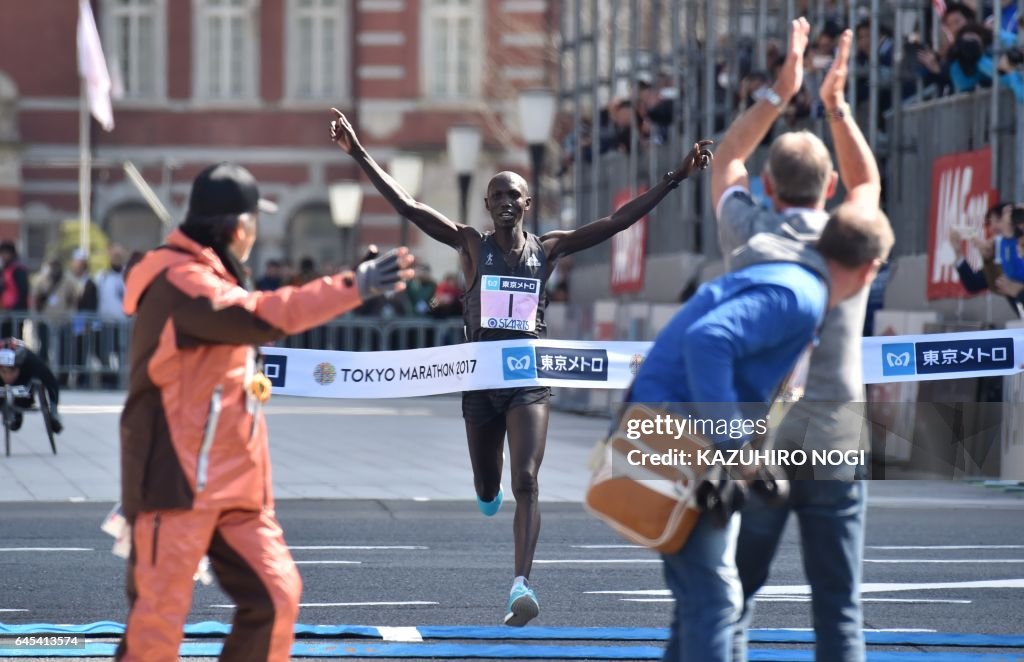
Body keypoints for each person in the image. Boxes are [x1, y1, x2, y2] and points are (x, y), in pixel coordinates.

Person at [330, 108, 712, 626]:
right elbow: (410, 205)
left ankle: (520, 586)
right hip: (479, 383)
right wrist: (359, 153)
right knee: (489, 485)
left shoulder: (548, 250)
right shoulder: (470, 243)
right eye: (498, 196)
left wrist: (675, 177)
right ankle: (485, 491)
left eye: (515, 195)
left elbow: (618, 222)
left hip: (528, 380)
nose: (507, 203)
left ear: (527, 205)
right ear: (487, 206)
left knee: (526, 480)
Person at [116, 162, 415, 662]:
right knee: (156, 629)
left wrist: (350, 283)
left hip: (236, 493)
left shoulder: (207, 277)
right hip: (175, 485)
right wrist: (353, 285)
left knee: (276, 599)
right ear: (240, 228)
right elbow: (259, 318)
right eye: (256, 222)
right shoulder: (179, 281)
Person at [628, 205, 893, 662]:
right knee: (715, 599)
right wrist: (736, 445)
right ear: (870, 270)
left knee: (703, 598)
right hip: (676, 434)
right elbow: (707, 341)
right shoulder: (803, 294)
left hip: (673, 428)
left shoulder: (799, 285)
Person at [709, 20, 886, 662]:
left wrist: (778, 93)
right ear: (829, 189)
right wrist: (836, 105)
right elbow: (869, 185)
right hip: (837, 433)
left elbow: (727, 159)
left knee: (735, 599)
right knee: (840, 608)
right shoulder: (849, 239)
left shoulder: (749, 235)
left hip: (760, 439)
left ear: (769, 188)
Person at [0, 337, 63, 434]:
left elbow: (52, 384)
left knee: (23, 399)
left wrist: (53, 412)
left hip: (24, 381)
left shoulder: (31, 361)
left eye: (12, 371)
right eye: (4, 371)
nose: (8, 376)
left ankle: (19, 409)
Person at [0, 240, 30, 339]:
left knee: (15, 341)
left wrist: (15, 308)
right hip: (5, 313)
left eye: (6, 253)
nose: (3, 256)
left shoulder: (18, 269)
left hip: (15, 313)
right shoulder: (4, 269)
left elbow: (23, 291)